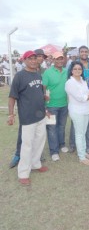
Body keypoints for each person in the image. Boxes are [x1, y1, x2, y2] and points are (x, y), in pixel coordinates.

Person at [8, 50, 48, 186]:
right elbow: (12, 96)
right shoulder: (19, 76)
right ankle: (23, 172)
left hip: (41, 115)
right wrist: (11, 114)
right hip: (27, 117)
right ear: (24, 60)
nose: (33, 61)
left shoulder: (38, 75)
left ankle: (36, 163)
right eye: (29, 59)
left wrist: (45, 104)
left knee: (40, 141)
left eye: (34, 58)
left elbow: (38, 94)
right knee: (27, 145)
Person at [65, 61, 89, 165]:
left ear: (82, 71)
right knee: (79, 134)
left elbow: (86, 93)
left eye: (79, 69)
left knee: (83, 133)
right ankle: (81, 157)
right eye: (75, 69)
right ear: (71, 71)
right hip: (77, 111)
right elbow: (80, 98)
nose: (77, 71)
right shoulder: (70, 83)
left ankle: (84, 152)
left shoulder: (82, 80)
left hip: (85, 109)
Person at [42, 52, 68, 162]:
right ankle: (54, 151)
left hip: (64, 104)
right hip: (51, 105)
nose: (59, 61)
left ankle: (62, 144)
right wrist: (44, 106)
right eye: (57, 59)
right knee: (52, 128)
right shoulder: (48, 72)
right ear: (53, 60)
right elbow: (43, 89)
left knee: (61, 126)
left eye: (61, 59)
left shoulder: (67, 71)